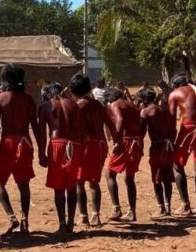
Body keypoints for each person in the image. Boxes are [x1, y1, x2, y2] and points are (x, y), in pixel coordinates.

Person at [0, 64, 41, 235]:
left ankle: (12, 217)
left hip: (7, 142)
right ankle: (25, 220)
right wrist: (42, 151)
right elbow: (36, 127)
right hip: (25, 143)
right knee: (23, 183)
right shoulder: (28, 99)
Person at [72, 74, 118, 227]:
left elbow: (77, 129)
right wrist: (117, 141)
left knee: (79, 181)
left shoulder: (79, 106)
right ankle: (95, 215)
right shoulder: (98, 105)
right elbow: (110, 123)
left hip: (87, 145)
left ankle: (83, 216)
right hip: (101, 144)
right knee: (94, 181)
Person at [38, 82, 83, 234]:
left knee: (59, 188)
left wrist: (41, 154)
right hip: (75, 145)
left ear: (48, 93)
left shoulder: (46, 106)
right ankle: (70, 222)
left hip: (57, 144)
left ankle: (62, 224)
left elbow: (42, 133)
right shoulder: (74, 105)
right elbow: (80, 130)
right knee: (72, 186)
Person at [168, 74, 196, 216]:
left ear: (176, 86)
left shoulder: (175, 93)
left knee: (177, 164)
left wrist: (171, 138)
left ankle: (185, 205)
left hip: (190, 128)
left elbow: (171, 119)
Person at [105, 87, 144, 222]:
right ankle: (132, 211)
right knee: (129, 177)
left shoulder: (115, 104)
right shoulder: (132, 105)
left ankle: (116, 208)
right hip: (137, 141)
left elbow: (120, 119)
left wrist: (117, 140)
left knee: (109, 173)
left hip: (126, 141)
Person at [138, 87, 176, 218]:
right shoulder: (164, 109)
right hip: (169, 146)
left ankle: (161, 208)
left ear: (145, 100)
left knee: (157, 178)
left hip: (157, 146)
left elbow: (141, 132)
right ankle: (168, 206)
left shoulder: (145, 112)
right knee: (167, 177)